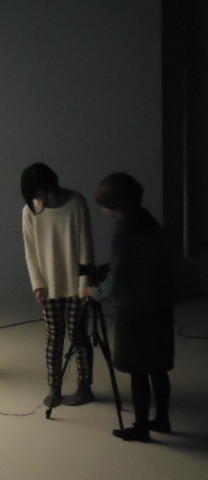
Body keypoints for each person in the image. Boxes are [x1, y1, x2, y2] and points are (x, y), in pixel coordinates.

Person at [89, 173, 174, 443]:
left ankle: (141, 427)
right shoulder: (148, 220)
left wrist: (95, 293)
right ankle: (162, 419)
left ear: (114, 205)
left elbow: (117, 278)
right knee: (158, 368)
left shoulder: (124, 230)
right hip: (160, 306)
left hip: (135, 311)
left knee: (138, 371)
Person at [21, 163, 95, 407]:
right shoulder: (30, 211)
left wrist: (85, 285)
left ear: (50, 184)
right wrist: (38, 285)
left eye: (39, 192)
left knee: (78, 335)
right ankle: (54, 387)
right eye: (34, 194)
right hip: (48, 287)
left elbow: (86, 245)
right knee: (54, 337)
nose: (38, 198)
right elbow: (31, 252)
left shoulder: (76, 203)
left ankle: (85, 386)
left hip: (77, 285)